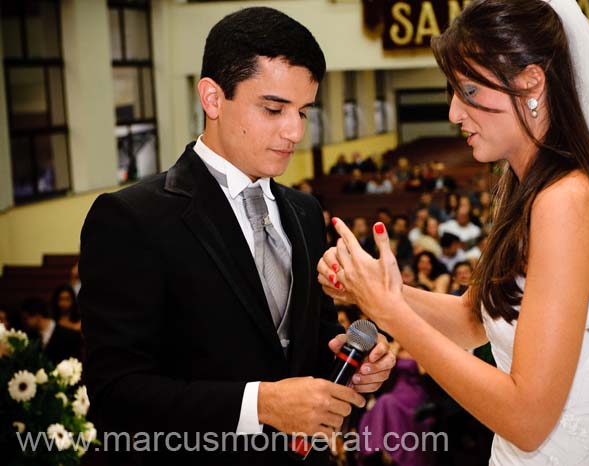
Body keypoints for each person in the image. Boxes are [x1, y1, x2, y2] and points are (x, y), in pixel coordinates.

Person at [318, 0, 589, 465]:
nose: (455, 113)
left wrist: (393, 314)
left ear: (530, 81)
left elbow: (527, 420)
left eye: (469, 90)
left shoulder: (567, 199)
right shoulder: (527, 188)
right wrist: (374, 283)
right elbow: (471, 320)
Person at [79, 8, 394, 465]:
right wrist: (261, 404)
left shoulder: (304, 211)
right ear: (212, 98)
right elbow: (117, 394)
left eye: (304, 111)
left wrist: (351, 363)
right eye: (273, 108)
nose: (295, 131)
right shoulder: (132, 218)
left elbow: (305, 346)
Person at [19, 297, 82, 366]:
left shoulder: (70, 335)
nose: (24, 322)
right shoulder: (31, 336)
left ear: (37, 316)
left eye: (26, 318)